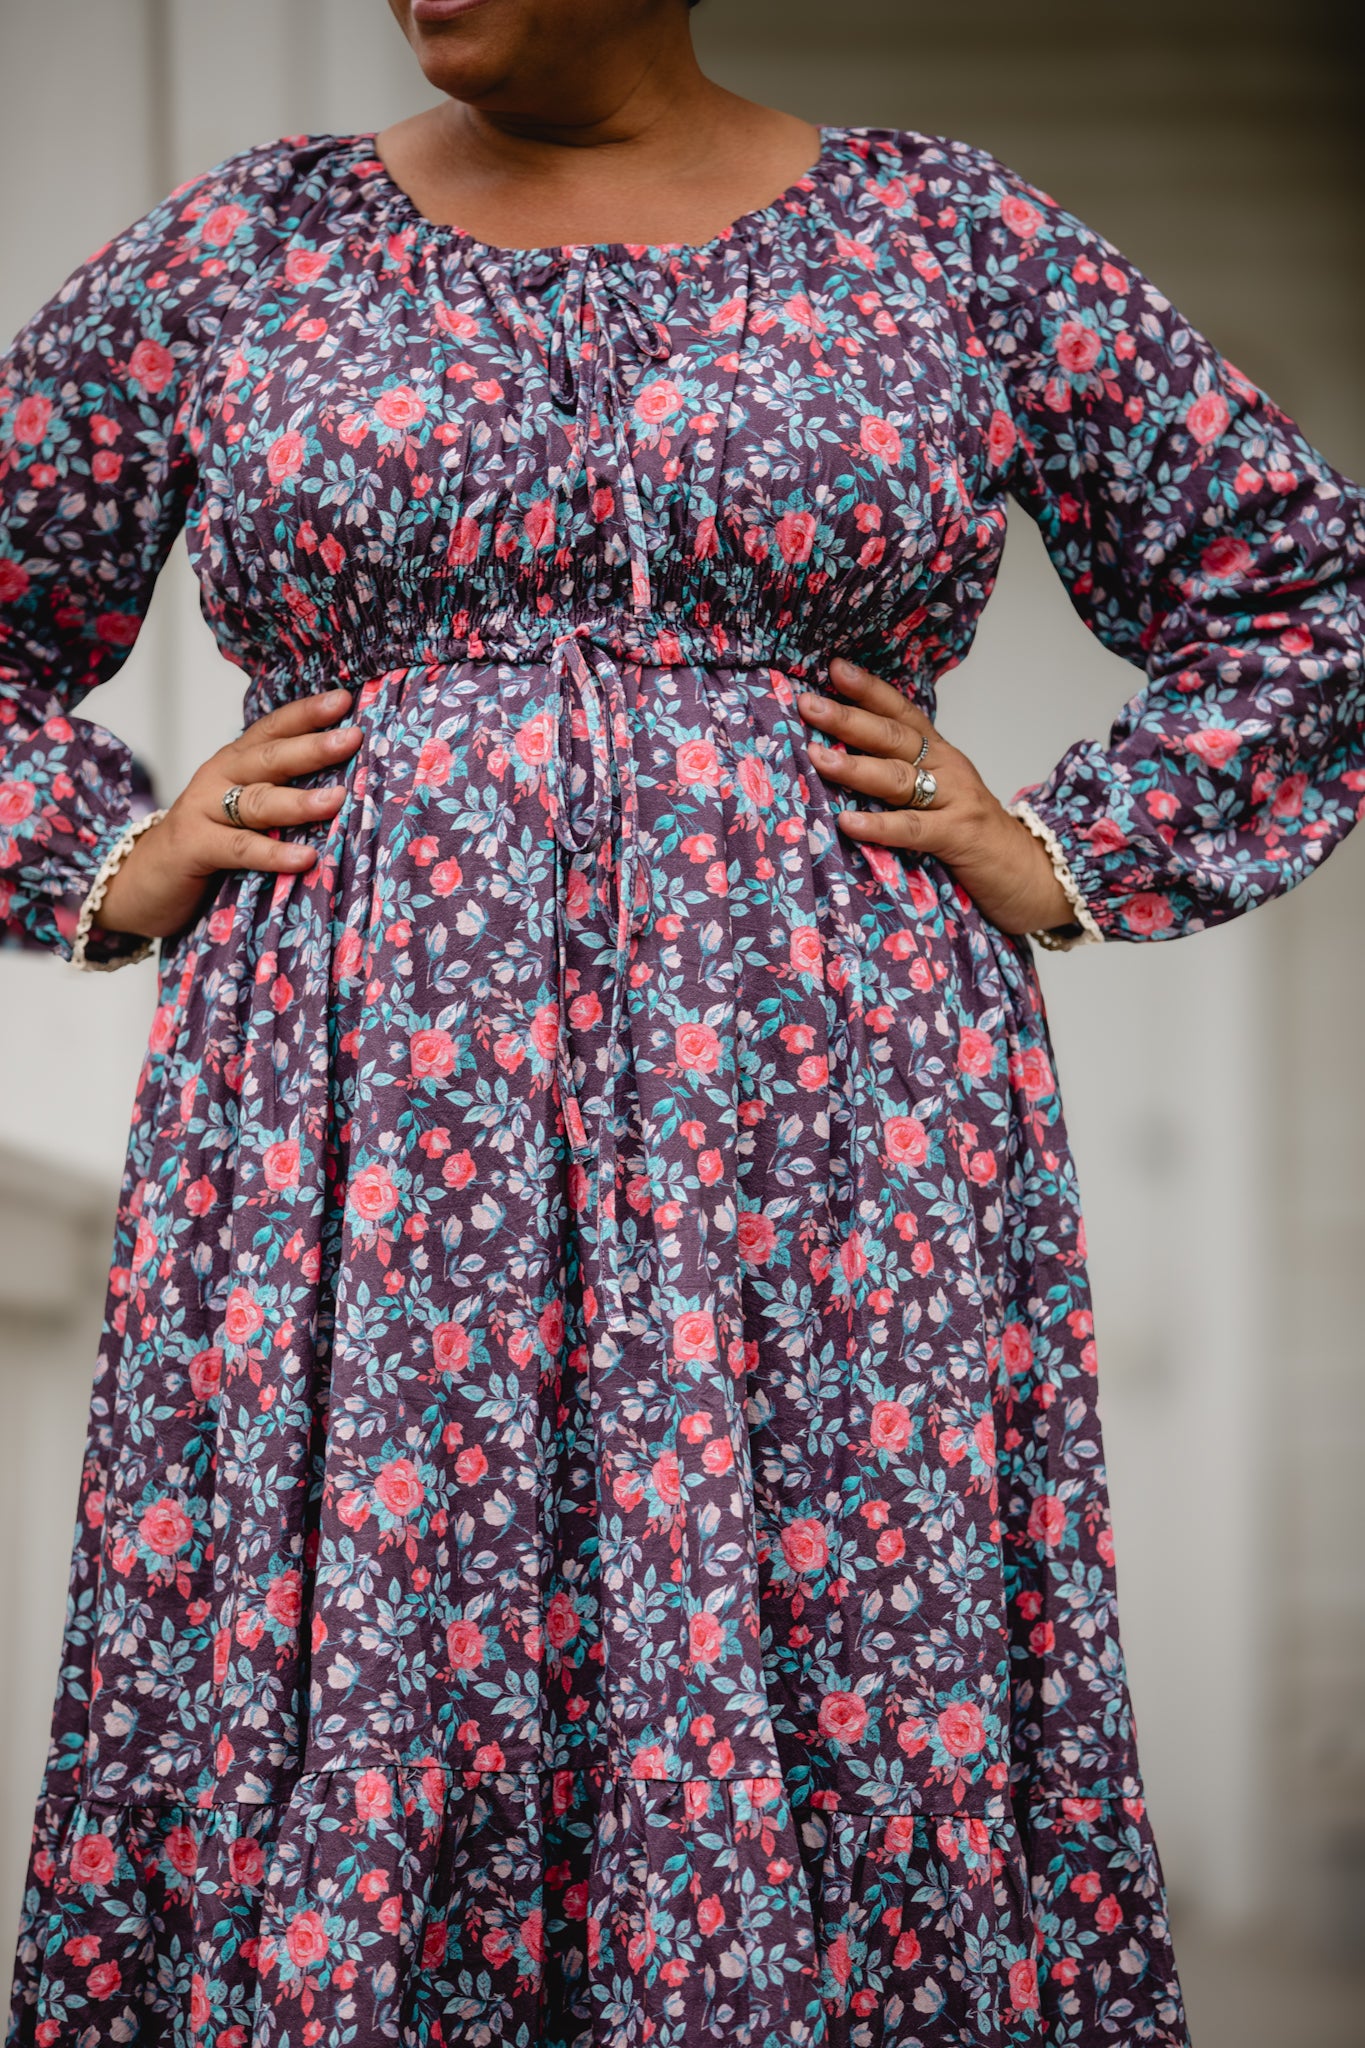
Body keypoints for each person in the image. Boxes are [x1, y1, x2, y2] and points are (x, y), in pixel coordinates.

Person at [4, 0, 1362, 2041]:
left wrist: (1074, 846)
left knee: (834, 1635)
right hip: (358, 1177)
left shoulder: (942, 243)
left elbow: (1295, 591)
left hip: (828, 1143)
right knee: (395, 1663)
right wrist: (104, 858)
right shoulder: (244, 252)